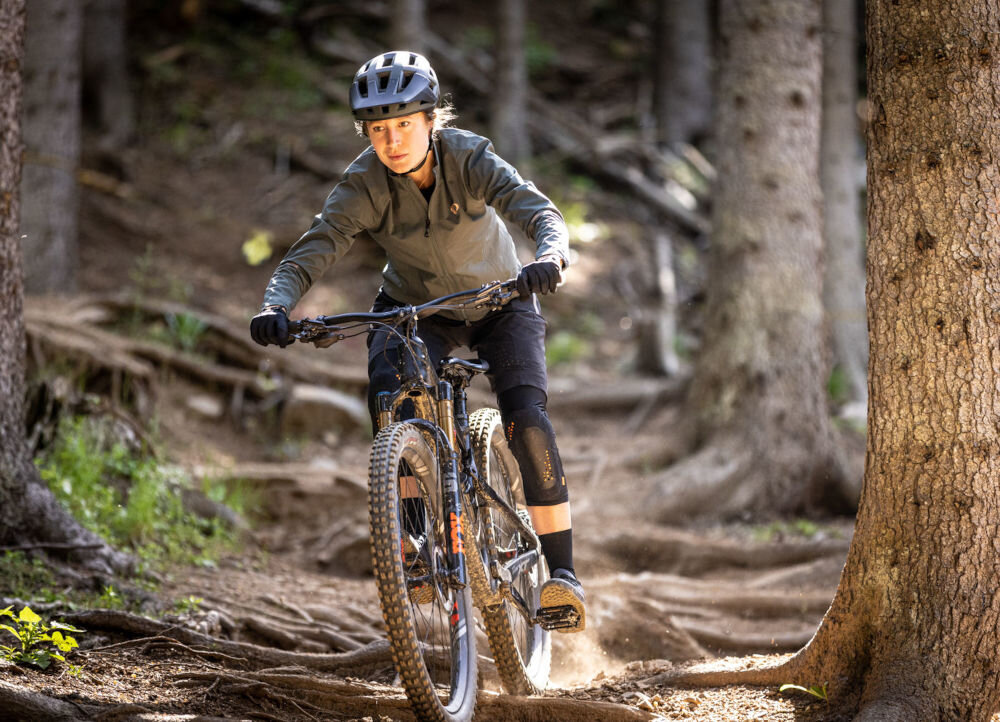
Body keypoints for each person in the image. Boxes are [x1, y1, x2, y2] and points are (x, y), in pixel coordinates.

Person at [250, 50, 584, 631]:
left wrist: (550, 255)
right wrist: (276, 304)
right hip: (414, 310)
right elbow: (315, 247)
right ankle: (411, 545)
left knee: (526, 420)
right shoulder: (364, 183)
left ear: (432, 121)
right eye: (378, 129)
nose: (392, 140)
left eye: (404, 124)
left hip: (502, 302)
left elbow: (537, 211)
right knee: (393, 400)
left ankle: (562, 577)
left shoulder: (469, 157)